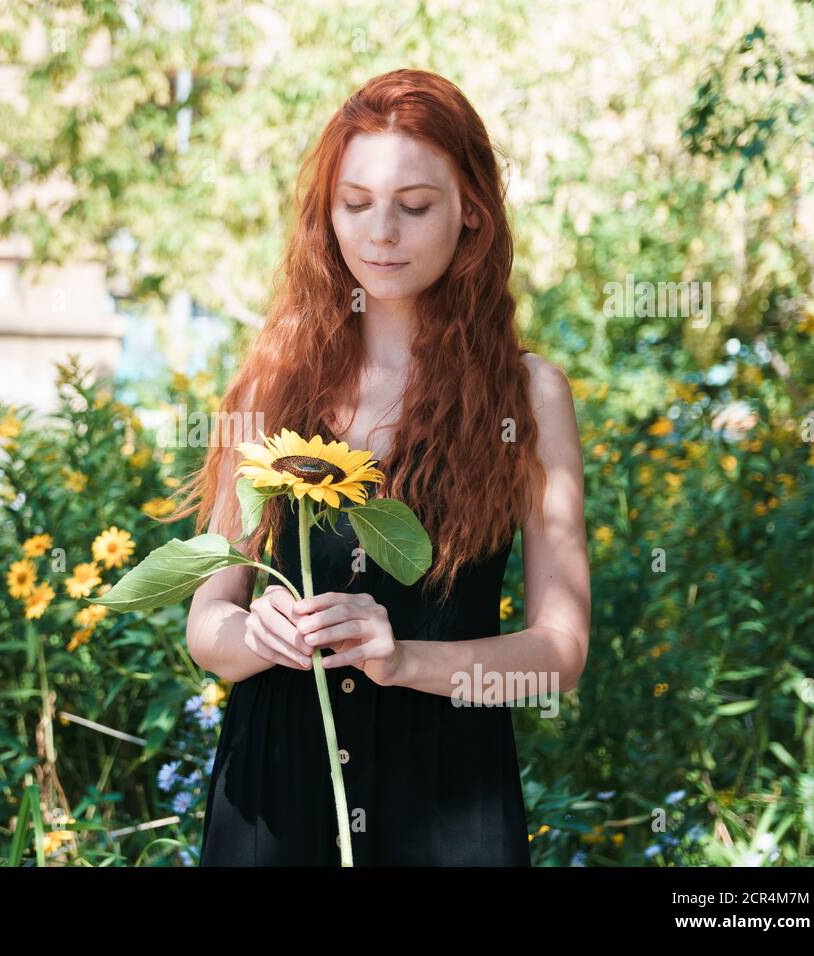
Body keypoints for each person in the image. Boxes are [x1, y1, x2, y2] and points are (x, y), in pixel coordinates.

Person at [165, 68, 590, 865]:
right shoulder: (270, 383)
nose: (380, 233)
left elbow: (558, 659)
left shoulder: (529, 396)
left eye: (414, 205)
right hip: (273, 804)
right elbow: (206, 626)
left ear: (473, 211)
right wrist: (258, 633)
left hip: (446, 800)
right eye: (354, 204)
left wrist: (405, 661)